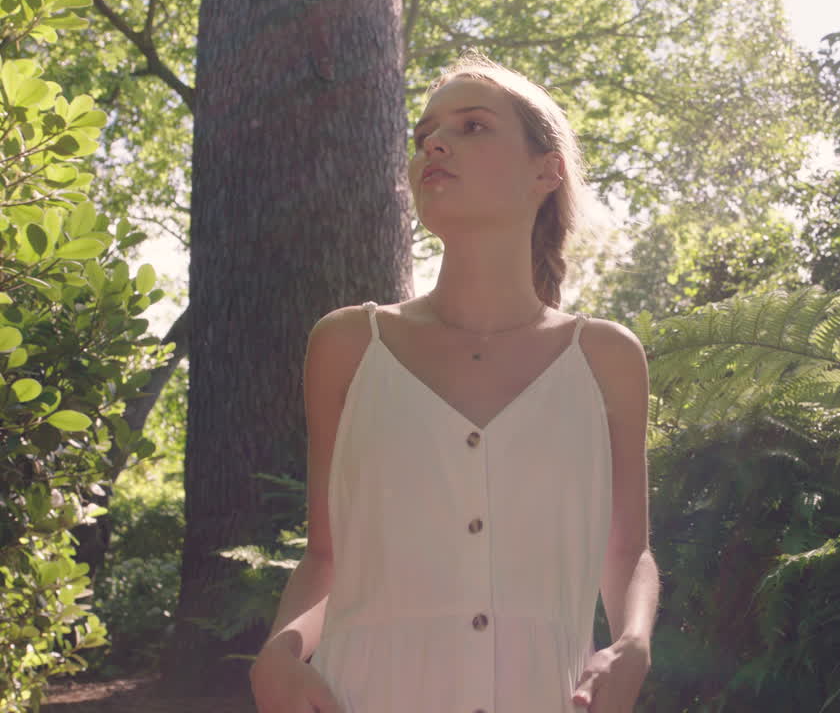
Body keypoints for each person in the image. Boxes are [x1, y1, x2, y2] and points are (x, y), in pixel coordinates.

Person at [248, 52, 659, 712]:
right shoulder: (349, 345)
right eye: (424, 136)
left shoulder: (606, 358)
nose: (433, 144)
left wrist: (634, 641)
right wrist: (279, 651)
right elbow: (326, 556)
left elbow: (628, 551)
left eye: (472, 126)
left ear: (546, 170)